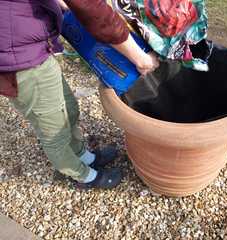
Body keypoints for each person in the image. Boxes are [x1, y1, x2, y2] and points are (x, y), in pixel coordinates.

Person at [0, 0, 159, 189]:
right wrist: (140, 59)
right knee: (54, 132)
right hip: (18, 59)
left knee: (69, 108)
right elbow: (93, 10)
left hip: (30, 48)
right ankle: (83, 175)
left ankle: (82, 155)